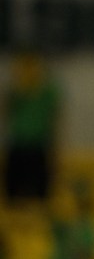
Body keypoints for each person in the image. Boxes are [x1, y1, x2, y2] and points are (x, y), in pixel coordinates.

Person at [1, 49, 62, 204]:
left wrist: (55, 151)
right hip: (18, 146)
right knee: (12, 196)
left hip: (39, 147)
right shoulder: (15, 92)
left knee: (42, 196)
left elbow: (55, 121)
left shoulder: (49, 92)